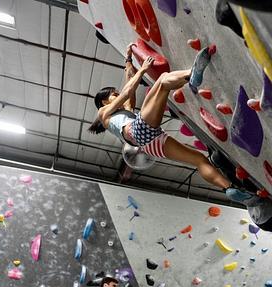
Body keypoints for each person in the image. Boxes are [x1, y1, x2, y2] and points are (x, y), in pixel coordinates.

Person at [88, 43, 251, 203]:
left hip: (150, 145)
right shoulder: (103, 113)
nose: (116, 95)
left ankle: (228, 188)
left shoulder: (124, 113)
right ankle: (191, 74)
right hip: (138, 131)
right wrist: (143, 69)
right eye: (112, 95)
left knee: (199, 159)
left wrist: (128, 58)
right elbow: (126, 91)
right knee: (163, 81)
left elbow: (130, 81)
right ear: (104, 102)